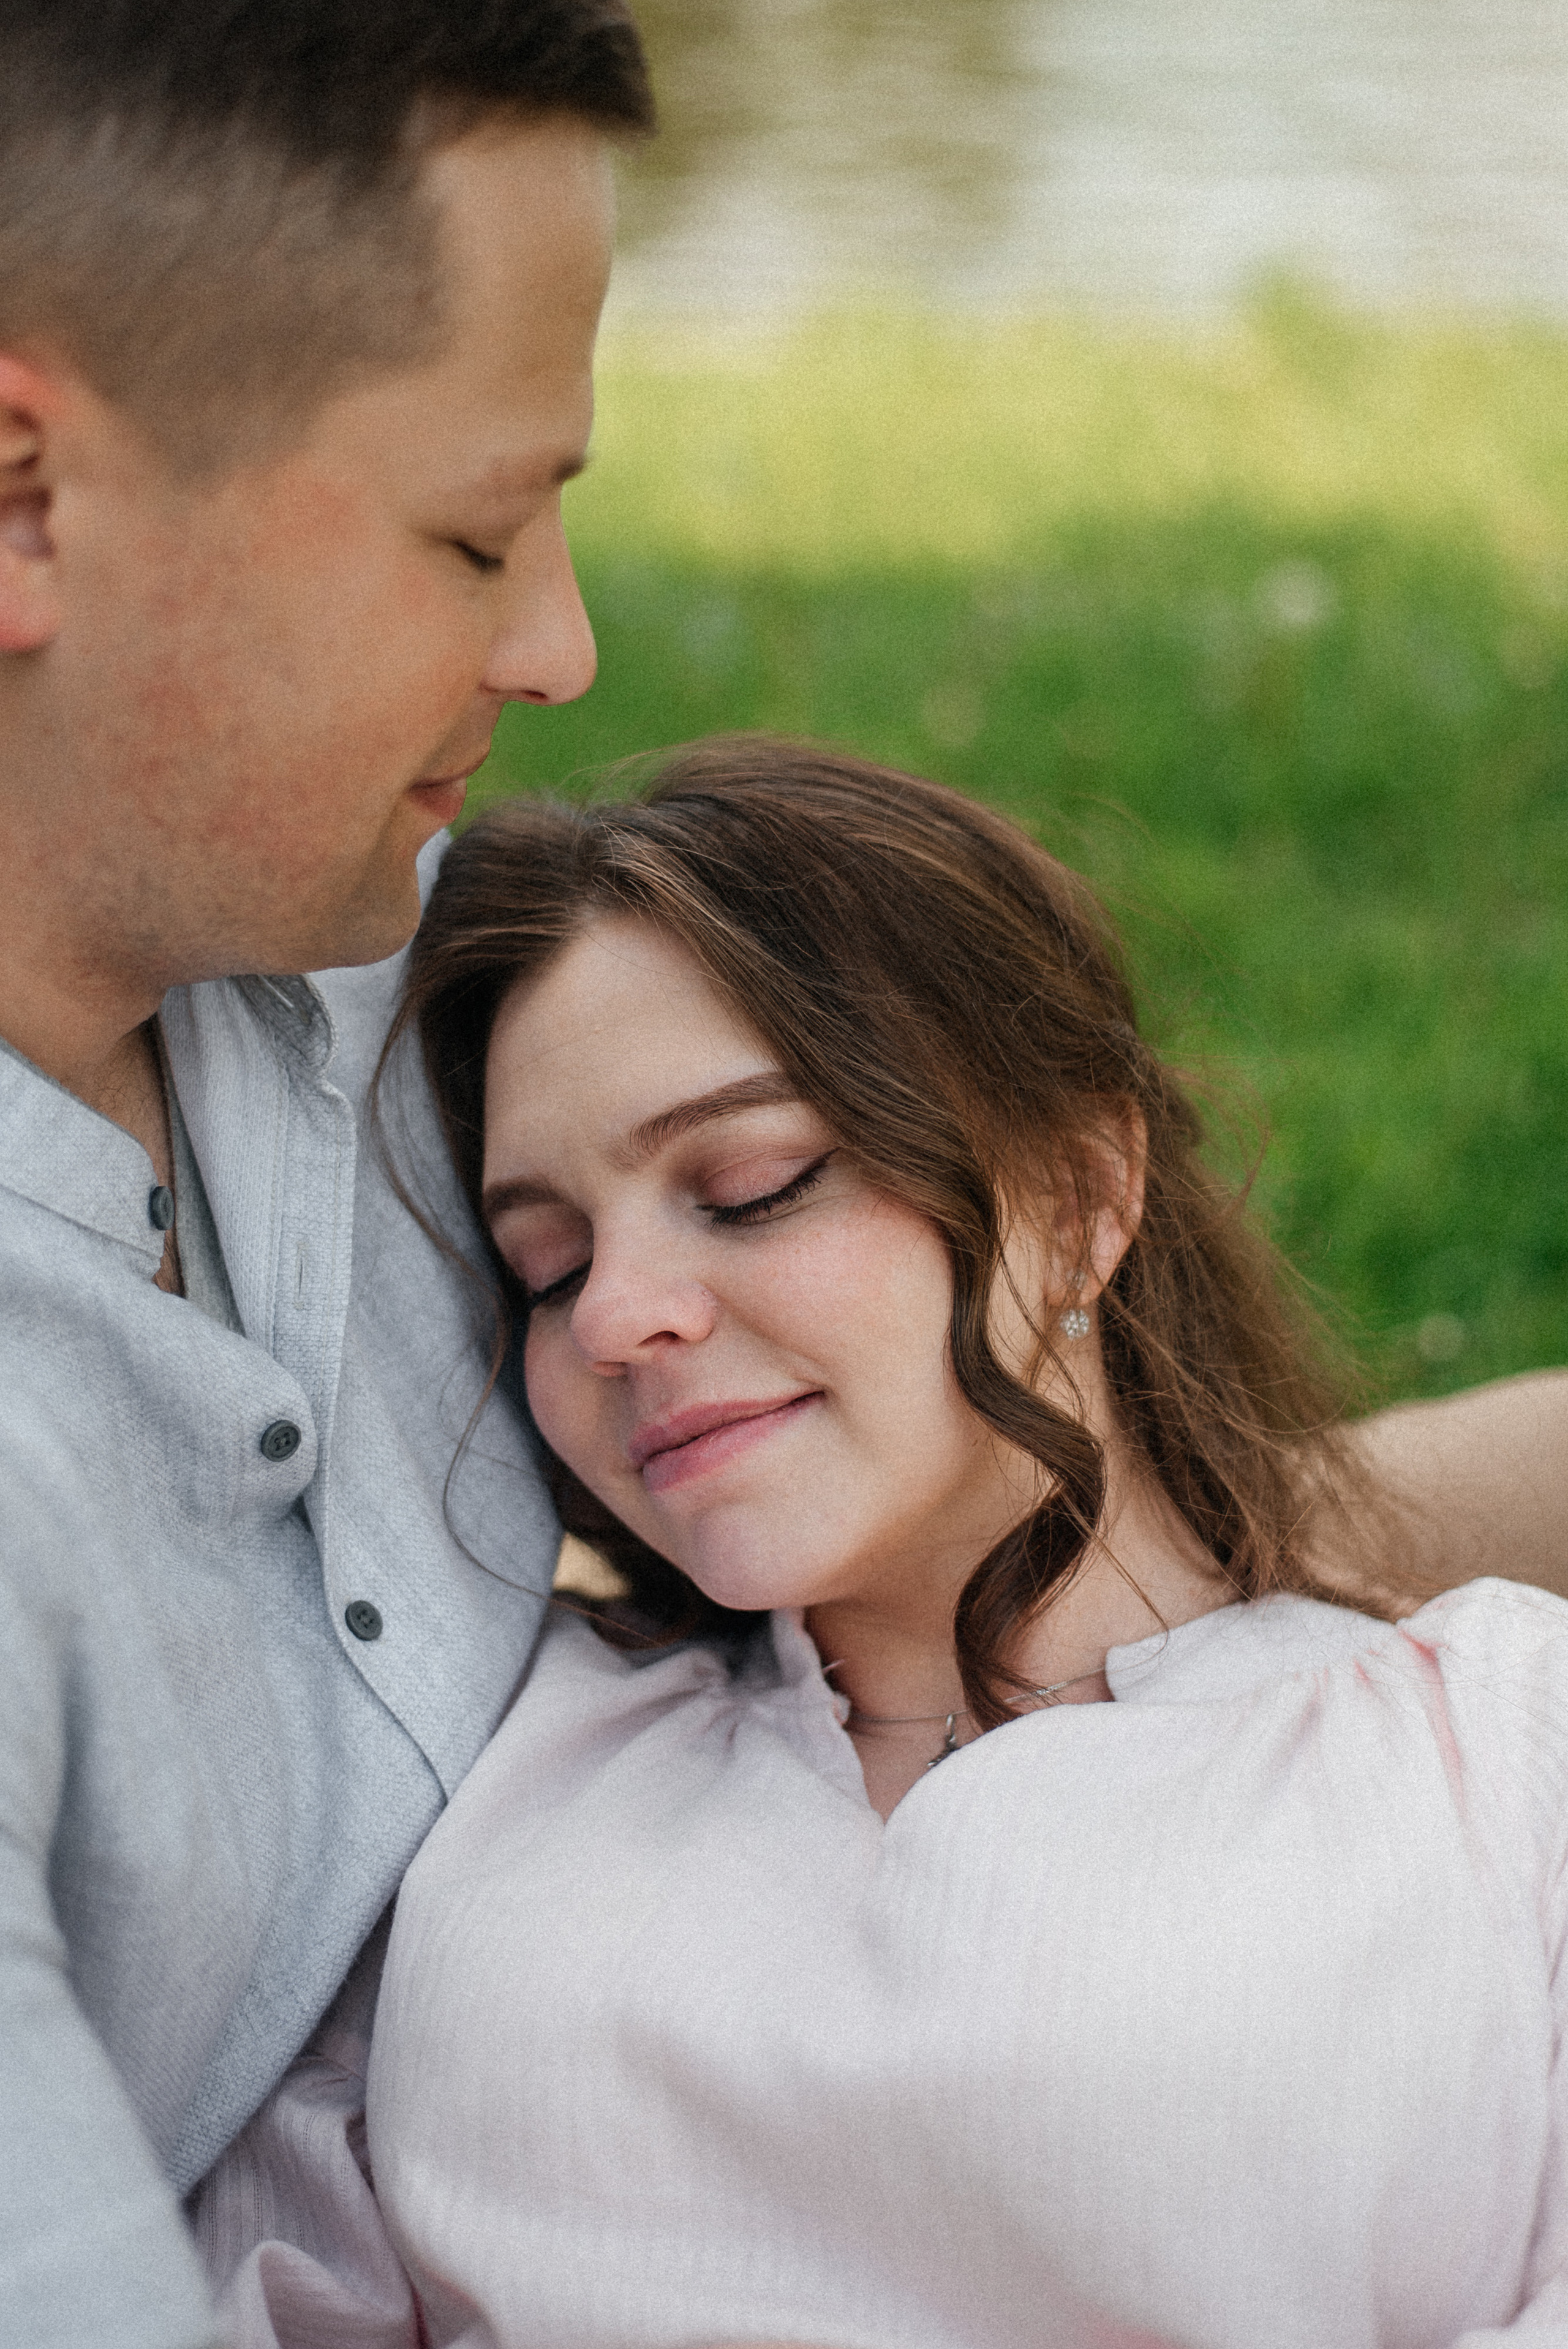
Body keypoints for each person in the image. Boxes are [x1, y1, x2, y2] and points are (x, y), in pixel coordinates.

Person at [200, 738, 1568, 2348]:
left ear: (1081, 1192)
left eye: (752, 1184)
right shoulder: (481, 1779)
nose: (617, 1315)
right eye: (550, 1267)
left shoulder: (1492, 1763)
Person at [0, 6, 654, 2343]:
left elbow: (1031, 1498)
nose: (562, 646)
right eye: (477, 533)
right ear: (26, 497)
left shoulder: (378, 968)